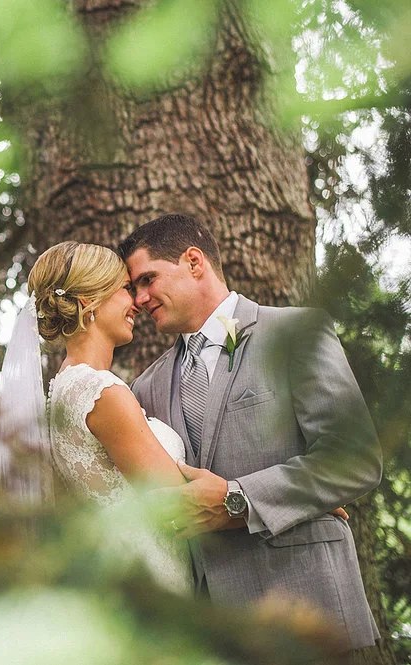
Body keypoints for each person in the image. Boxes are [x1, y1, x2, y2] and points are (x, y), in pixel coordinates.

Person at [120, 213, 382, 652]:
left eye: (147, 279)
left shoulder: (297, 333)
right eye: (134, 288)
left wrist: (242, 500)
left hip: (311, 616)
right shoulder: (146, 387)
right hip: (214, 636)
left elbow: (355, 460)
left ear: (194, 261)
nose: (141, 298)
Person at [0, 241, 193, 593]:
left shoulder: (62, 390)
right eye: (125, 291)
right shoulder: (100, 393)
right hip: (147, 576)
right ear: (89, 302)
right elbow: (179, 500)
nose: (136, 303)